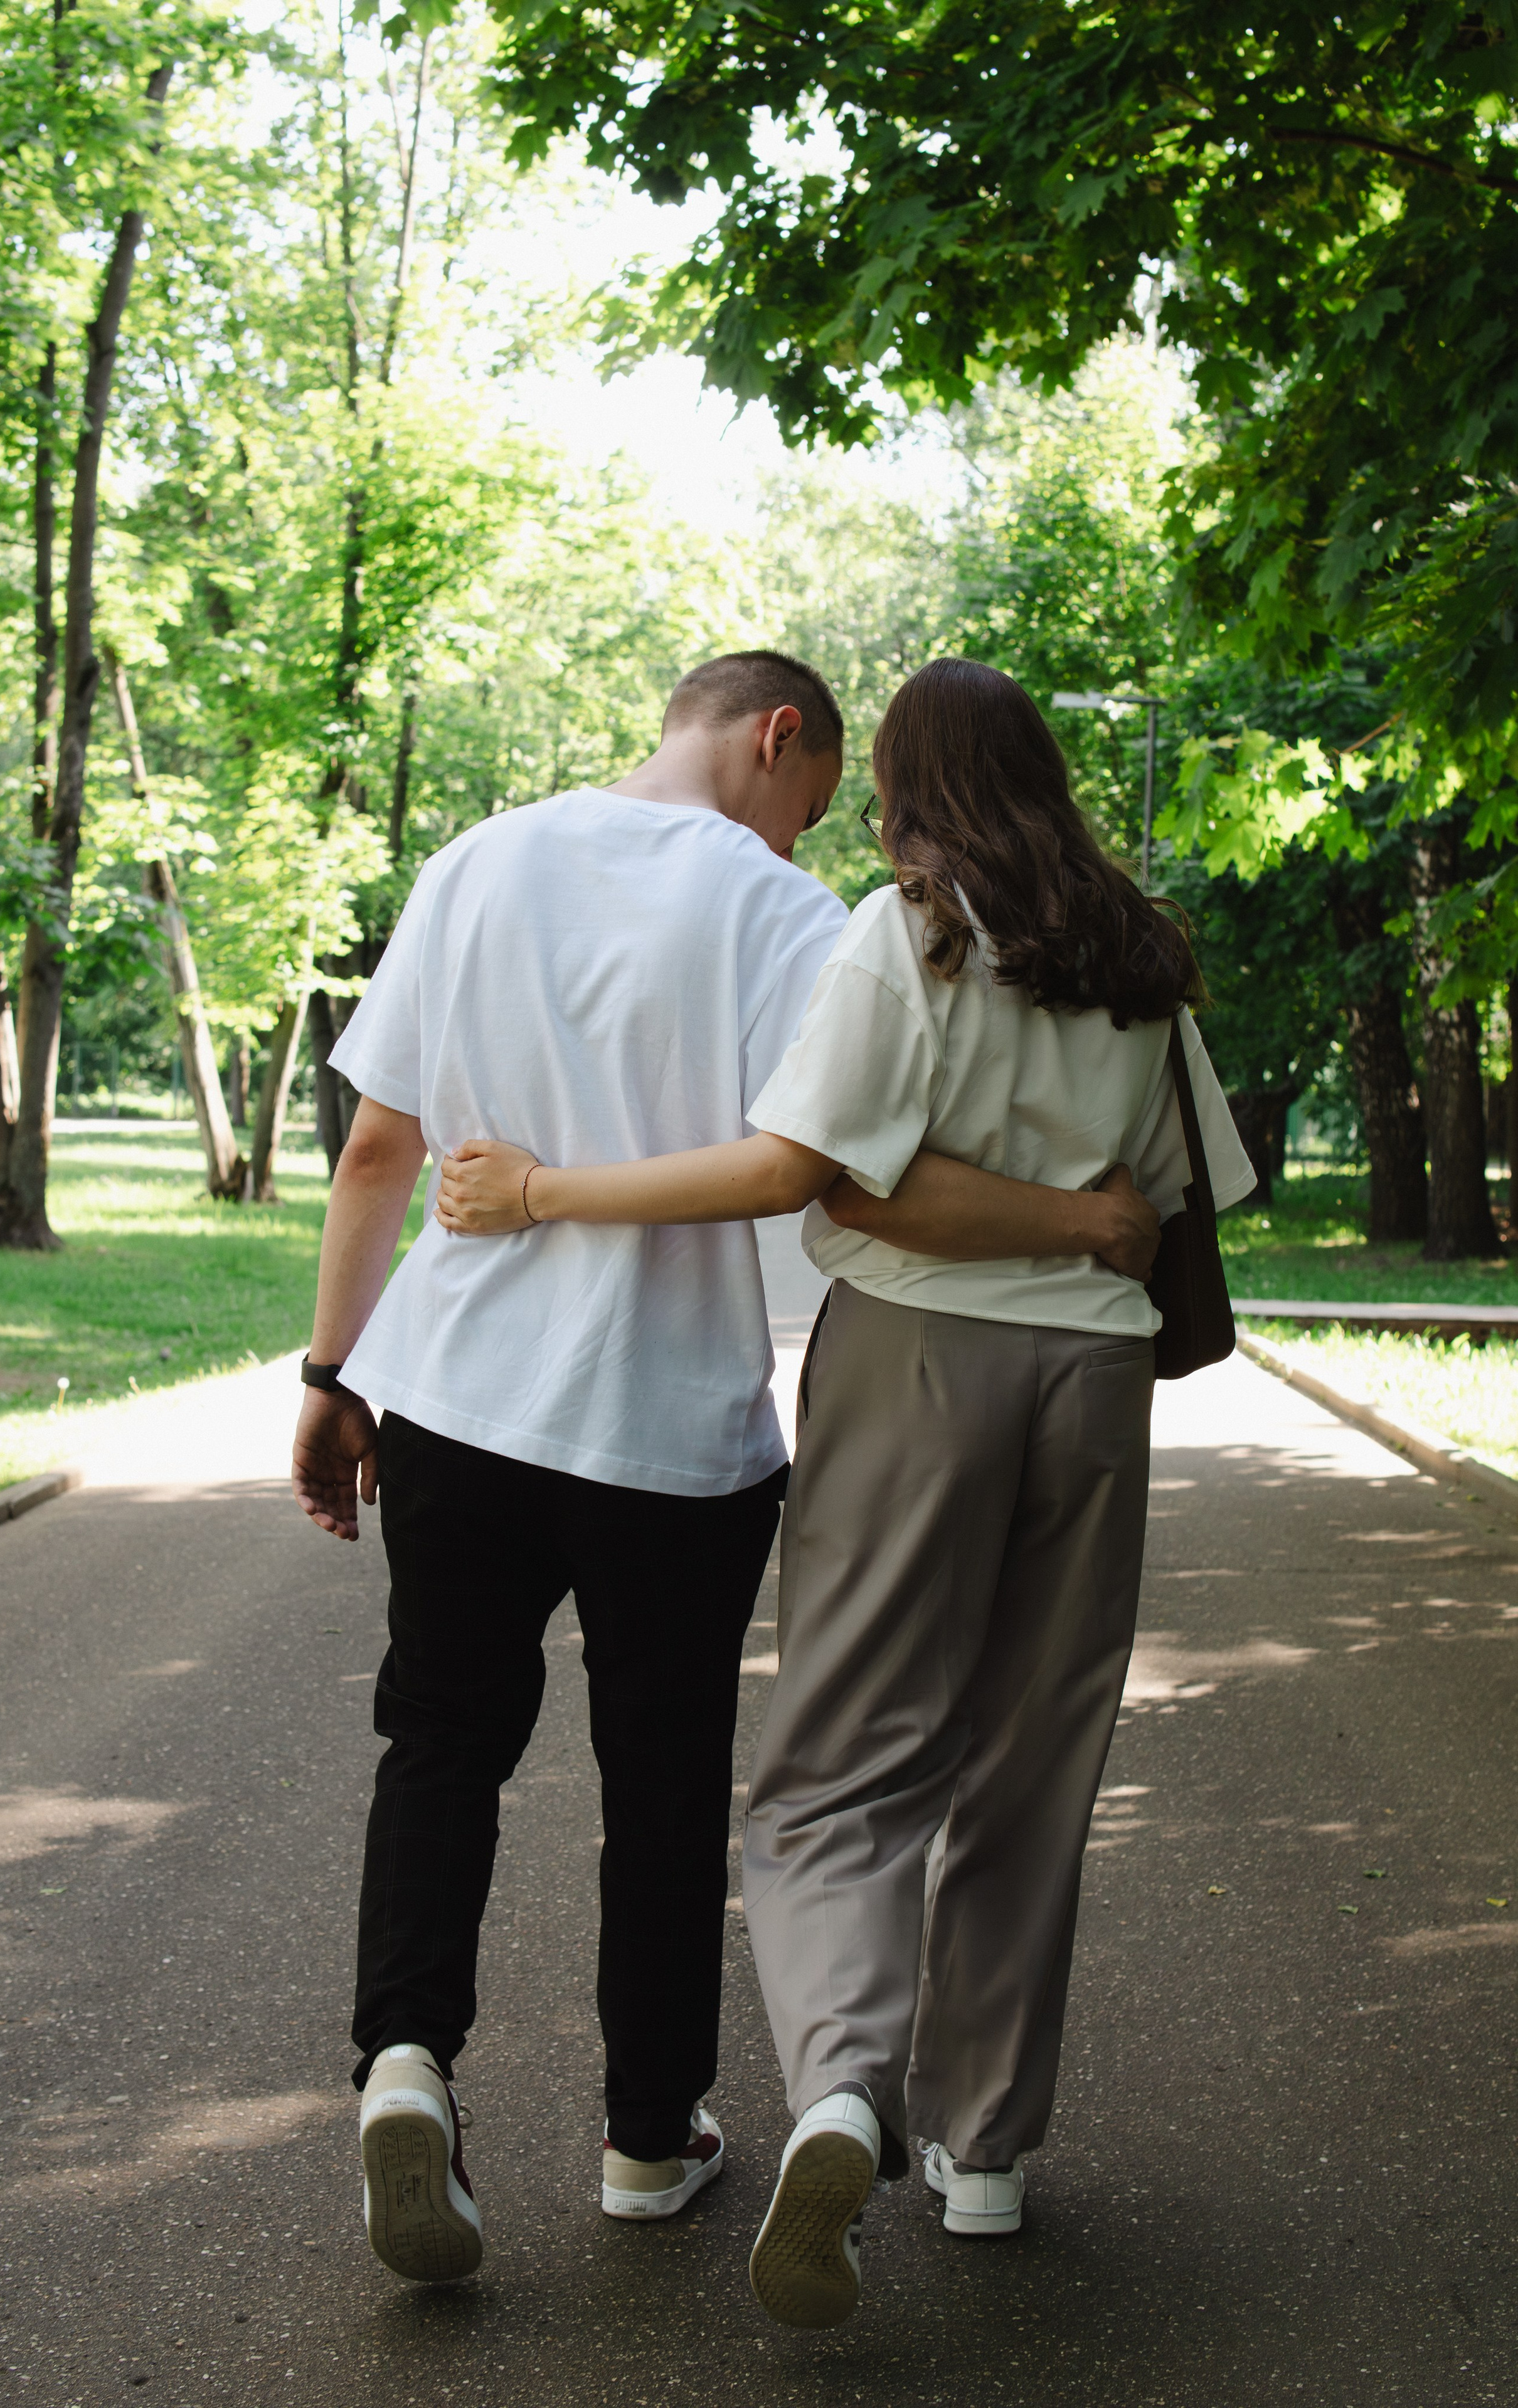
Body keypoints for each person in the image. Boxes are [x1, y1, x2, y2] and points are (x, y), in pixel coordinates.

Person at [290, 650, 1160, 2288]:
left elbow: (379, 1151)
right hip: (673, 1433)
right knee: (667, 1789)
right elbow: (812, 1171)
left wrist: (334, 1374)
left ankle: (406, 2061)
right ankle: (647, 2140)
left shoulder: (475, 861)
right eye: (812, 801)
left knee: (440, 1746)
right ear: (776, 738)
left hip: (458, 1399)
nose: (805, 833)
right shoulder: (785, 916)